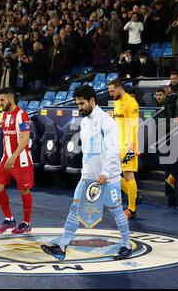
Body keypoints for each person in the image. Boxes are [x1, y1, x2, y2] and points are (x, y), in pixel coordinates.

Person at [40, 85, 132, 261]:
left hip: (109, 177)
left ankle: (126, 246)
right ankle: (61, 247)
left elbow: (112, 150)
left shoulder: (107, 122)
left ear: (92, 101)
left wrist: (105, 172)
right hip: (88, 177)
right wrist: (85, 173)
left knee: (117, 211)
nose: (79, 107)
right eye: (77, 104)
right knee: (75, 209)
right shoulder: (84, 122)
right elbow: (89, 151)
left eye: (82, 104)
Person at [0, 88, 34, 234]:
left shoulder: (22, 115)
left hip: (20, 159)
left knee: (24, 190)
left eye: (2, 100)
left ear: (10, 99)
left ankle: (26, 222)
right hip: (7, 158)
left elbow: (25, 139)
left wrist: (14, 156)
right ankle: (9, 219)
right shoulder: (3, 115)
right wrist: (8, 156)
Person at [108, 79, 140, 220]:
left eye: (112, 91)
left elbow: (134, 126)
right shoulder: (116, 103)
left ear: (119, 89)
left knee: (128, 175)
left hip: (128, 145)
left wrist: (132, 146)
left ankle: (131, 209)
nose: (110, 94)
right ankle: (134, 195)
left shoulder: (131, 103)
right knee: (112, 175)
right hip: (117, 144)